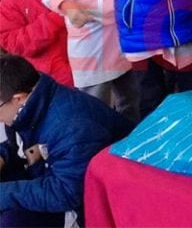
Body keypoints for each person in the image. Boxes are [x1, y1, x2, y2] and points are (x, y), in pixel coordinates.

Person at [0, 53, 134, 227]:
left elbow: (68, 193)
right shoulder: (32, 100)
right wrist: (3, 155)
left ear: (19, 99)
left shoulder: (71, 127)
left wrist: (4, 193)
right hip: (59, 173)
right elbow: (18, 143)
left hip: (106, 197)